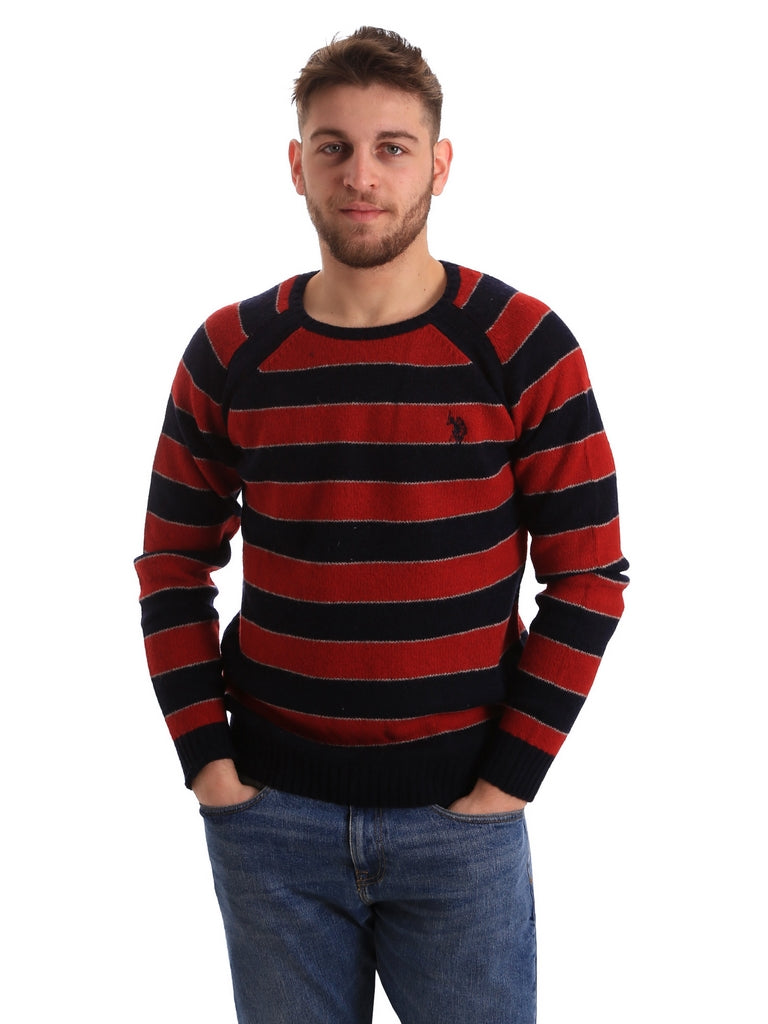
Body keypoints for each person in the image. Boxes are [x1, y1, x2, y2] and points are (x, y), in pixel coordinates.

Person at [135, 26, 628, 1024]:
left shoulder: (524, 346)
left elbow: (589, 577)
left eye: (392, 148)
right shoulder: (231, 350)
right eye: (335, 147)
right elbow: (172, 564)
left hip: (462, 827)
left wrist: (507, 784)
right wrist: (211, 771)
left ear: (439, 165)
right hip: (270, 822)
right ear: (297, 164)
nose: (362, 176)